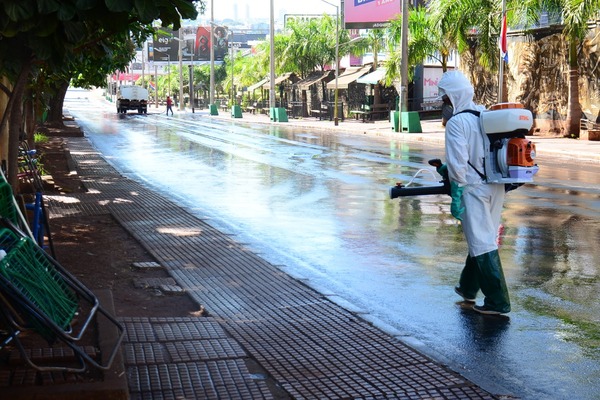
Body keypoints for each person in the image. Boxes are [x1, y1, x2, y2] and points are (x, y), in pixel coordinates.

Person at [437, 70, 511, 315]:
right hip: (496, 185)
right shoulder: (484, 115)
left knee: (481, 242)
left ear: (454, 96)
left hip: (473, 189)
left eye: (446, 99)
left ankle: (497, 302)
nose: (444, 105)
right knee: (483, 237)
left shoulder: (457, 123)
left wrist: (455, 190)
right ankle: (468, 288)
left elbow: (459, 166)